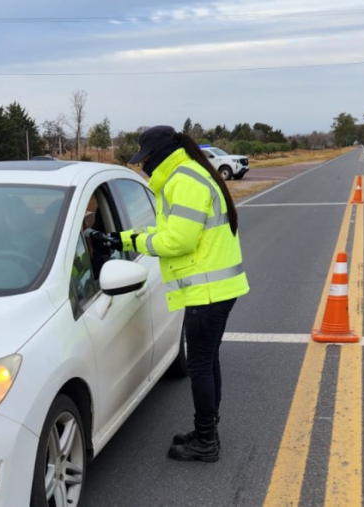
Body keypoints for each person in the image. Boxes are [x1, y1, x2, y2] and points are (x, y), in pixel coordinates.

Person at [107, 125, 250, 463]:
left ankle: (206, 441)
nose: (145, 167)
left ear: (159, 155)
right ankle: (207, 430)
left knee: (200, 365)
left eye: (146, 160)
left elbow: (177, 241)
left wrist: (140, 244)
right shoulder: (189, 173)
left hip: (208, 291)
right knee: (208, 360)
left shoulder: (183, 181)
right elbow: (169, 229)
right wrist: (122, 240)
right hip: (216, 288)